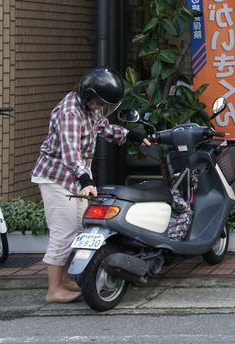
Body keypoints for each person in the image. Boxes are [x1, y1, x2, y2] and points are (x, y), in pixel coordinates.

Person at [31, 68, 151, 304]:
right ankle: (54, 289)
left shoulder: (88, 109)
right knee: (63, 232)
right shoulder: (70, 113)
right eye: (99, 103)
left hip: (73, 178)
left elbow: (104, 128)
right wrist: (85, 180)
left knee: (78, 229)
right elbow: (70, 152)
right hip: (56, 178)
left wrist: (131, 136)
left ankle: (65, 280)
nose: (100, 108)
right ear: (88, 95)